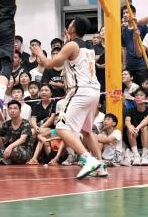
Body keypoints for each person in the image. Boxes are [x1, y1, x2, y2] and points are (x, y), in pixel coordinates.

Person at [32, 16, 105, 179]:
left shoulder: (71, 45)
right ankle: (100, 165)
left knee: (61, 127)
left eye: (70, 24)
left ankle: (88, 159)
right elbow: (69, 61)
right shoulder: (88, 46)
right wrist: (67, 40)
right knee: (86, 131)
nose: (68, 26)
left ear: (73, 29)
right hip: (94, 91)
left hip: (80, 90)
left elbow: (49, 64)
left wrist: (38, 52)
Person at [123, 88, 148, 166]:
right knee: (129, 128)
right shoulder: (129, 110)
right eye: (136, 95)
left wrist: (137, 128)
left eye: (141, 95)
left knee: (144, 127)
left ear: (147, 99)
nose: (138, 97)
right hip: (133, 136)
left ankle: (145, 156)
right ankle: (136, 156)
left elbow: (147, 120)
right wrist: (130, 127)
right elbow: (127, 121)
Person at [121, 5, 148, 85]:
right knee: (132, 88)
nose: (125, 15)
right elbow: (124, 48)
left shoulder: (143, 27)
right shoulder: (124, 31)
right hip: (130, 66)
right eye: (123, 13)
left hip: (142, 65)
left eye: (127, 12)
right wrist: (124, 64)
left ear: (134, 14)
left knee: (144, 88)